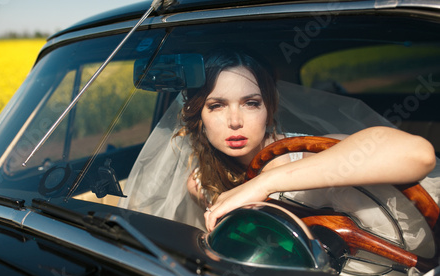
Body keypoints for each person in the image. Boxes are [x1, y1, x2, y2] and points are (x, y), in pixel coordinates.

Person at [175, 50, 437, 232]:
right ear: (199, 114)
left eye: (251, 103)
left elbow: (419, 155)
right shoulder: (201, 184)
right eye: (217, 106)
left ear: (269, 109)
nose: (234, 121)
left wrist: (265, 183)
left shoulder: (306, 151)